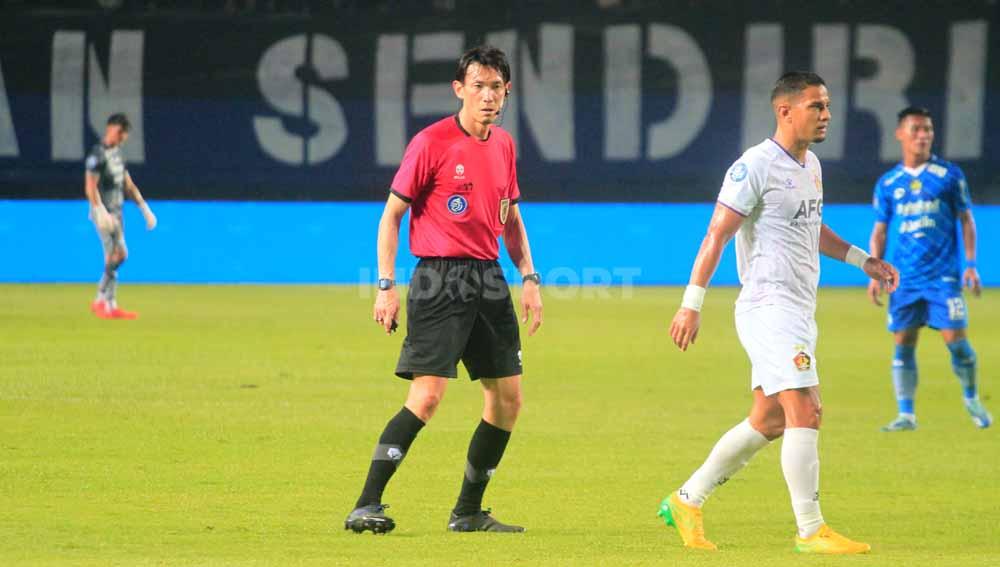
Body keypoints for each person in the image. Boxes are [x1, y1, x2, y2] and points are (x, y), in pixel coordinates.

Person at [660, 72, 899, 554]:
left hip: (799, 309)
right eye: (816, 106)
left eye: (827, 105)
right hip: (769, 308)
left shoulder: (810, 165)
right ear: (785, 111)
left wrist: (863, 260)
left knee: (769, 420)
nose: (826, 115)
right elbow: (717, 234)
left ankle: (686, 500)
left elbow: (812, 226)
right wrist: (691, 304)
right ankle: (811, 530)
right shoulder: (754, 166)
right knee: (806, 409)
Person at [343, 45, 543, 535]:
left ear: (507, 92)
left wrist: (529, 277)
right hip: (439, 278)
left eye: (496, 87)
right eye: (478, 86)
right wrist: (385, 286)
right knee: (427, 397)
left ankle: (468, 512)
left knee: (508, 400)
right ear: (459, 89)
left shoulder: (504, 146)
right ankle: (365, 504)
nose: (487, 96)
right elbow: (391, 216)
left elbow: (511, 218)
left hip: (489, 278)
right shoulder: (431, 143)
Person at [868, 107, 992, 431]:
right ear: (900, 134)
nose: (923, 135)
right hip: (904, 279)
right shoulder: (888, 183)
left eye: (928, 129)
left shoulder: (949, 175)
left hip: (943, 278)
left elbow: (966, 220)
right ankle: (906, 415)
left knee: (957, 343)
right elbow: (880, 231)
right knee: (903, 342)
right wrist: (876, 271)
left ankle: (971, 397)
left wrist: (971, 265)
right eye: (916, 129)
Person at [85, 113, 157, 319]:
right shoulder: (97, 155)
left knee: (118, 255)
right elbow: (90, 187)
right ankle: (102, 301)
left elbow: (128, 185)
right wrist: (100, 211)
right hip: (104, 213)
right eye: (122, 134)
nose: (122, 139)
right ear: (114, 129)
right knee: (116, 254)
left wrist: (144, 209)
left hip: (117, 213)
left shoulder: (117, 155)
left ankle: (109, 303)